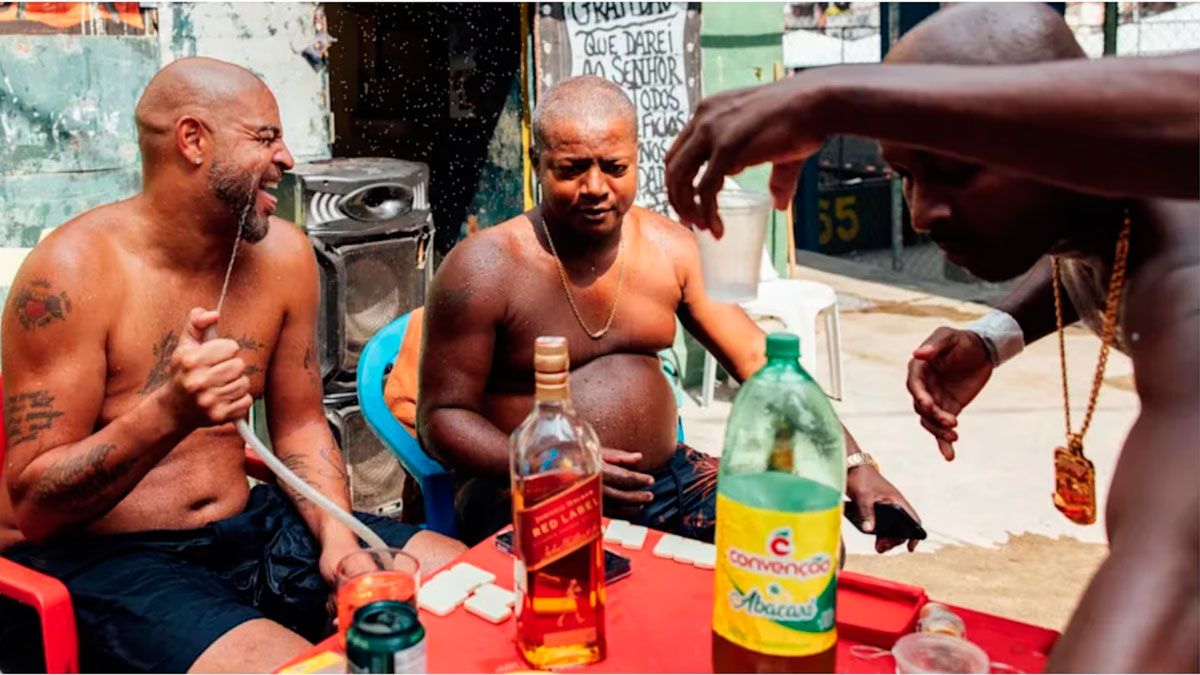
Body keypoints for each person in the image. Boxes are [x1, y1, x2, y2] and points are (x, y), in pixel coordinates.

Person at [665, 5, 1198, 672]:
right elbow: (1085, 248)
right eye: (906, 176)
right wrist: (996, 334)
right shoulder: (1110, 212)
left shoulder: (1184, 288)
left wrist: (832, 93)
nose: (921, 212)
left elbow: (1174, 571)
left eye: (958, 171)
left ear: (1067, 137)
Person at [0, 57, 464, 674]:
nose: (289, 159)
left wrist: (336, 539)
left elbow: (299, 425)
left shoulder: (286, 256)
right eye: (266, 138)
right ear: (194, 140)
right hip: (112, 560)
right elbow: (36, 505)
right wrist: (169, 412)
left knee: (459, 575)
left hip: (250, 527)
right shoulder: (72, 274)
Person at [416, 75, 920, 551]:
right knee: (598, 599)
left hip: (667, 481)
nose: (595, 187)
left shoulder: (671, 251)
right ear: (537, 163)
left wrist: (853, 466)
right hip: (531, 489)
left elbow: (763, 365)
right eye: (571, 170)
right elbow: (440, 419)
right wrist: (548, 464)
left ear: (638, 159)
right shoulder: (483, 268)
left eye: (614, 167)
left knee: (799, 539)